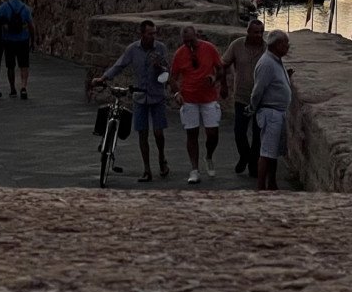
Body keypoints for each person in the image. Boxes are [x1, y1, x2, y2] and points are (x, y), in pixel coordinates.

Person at [90, 19, 170, 182]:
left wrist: (160, 68)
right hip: (140, 96)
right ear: (142, 34)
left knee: (158, 133)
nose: (153, 36)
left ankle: (162, 158)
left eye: (154, 33)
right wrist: (104, 78)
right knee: (142, 134)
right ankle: (147, 169)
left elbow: (168, 71)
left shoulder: (160, 48)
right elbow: (119, 65)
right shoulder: (133, 49)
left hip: (157, 95)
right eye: (149, 33)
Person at [169, 25, 224, 185]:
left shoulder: (209, 49)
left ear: (197, 35)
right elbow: (173, 77)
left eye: (191, 40)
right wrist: (177, 94)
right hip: (189, 99)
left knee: (212, 133)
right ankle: (194, 170)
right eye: (186, 42)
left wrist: (214, 78)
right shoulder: (180, 54)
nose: (189, 45)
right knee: (191, 134)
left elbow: (220, 69)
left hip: (208, 97)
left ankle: (209, 155)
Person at [221, 19, 266, 177]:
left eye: (261, 32)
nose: (259, 35)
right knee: (239, 132)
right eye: (256, 32)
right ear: (248, 32)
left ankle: (253, 164)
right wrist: (223, 85)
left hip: (261, 99)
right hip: (242, 97)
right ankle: (245, 156)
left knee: (257, 134)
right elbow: (223, 64)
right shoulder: (237, 45)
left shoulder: (267, 49)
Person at [250, 29, 293, 191]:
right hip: (271, 112)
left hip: (277, 112)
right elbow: (258, 90)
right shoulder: (267, 63)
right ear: (276, 45)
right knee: (267, 152)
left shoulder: (275, 60)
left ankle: (272, 183)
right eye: (285, 43)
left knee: (272, 152)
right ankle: (261, 187)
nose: (288, 46)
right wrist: (254, 107)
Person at [0, 0, 35, 100]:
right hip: (23, 39)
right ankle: (23, 87)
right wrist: (33, 41)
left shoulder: (5, 6)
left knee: (10, 66)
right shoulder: (25, 8)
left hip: (9, 40)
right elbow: (32, 26)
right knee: (24, 65)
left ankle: (12, 88)